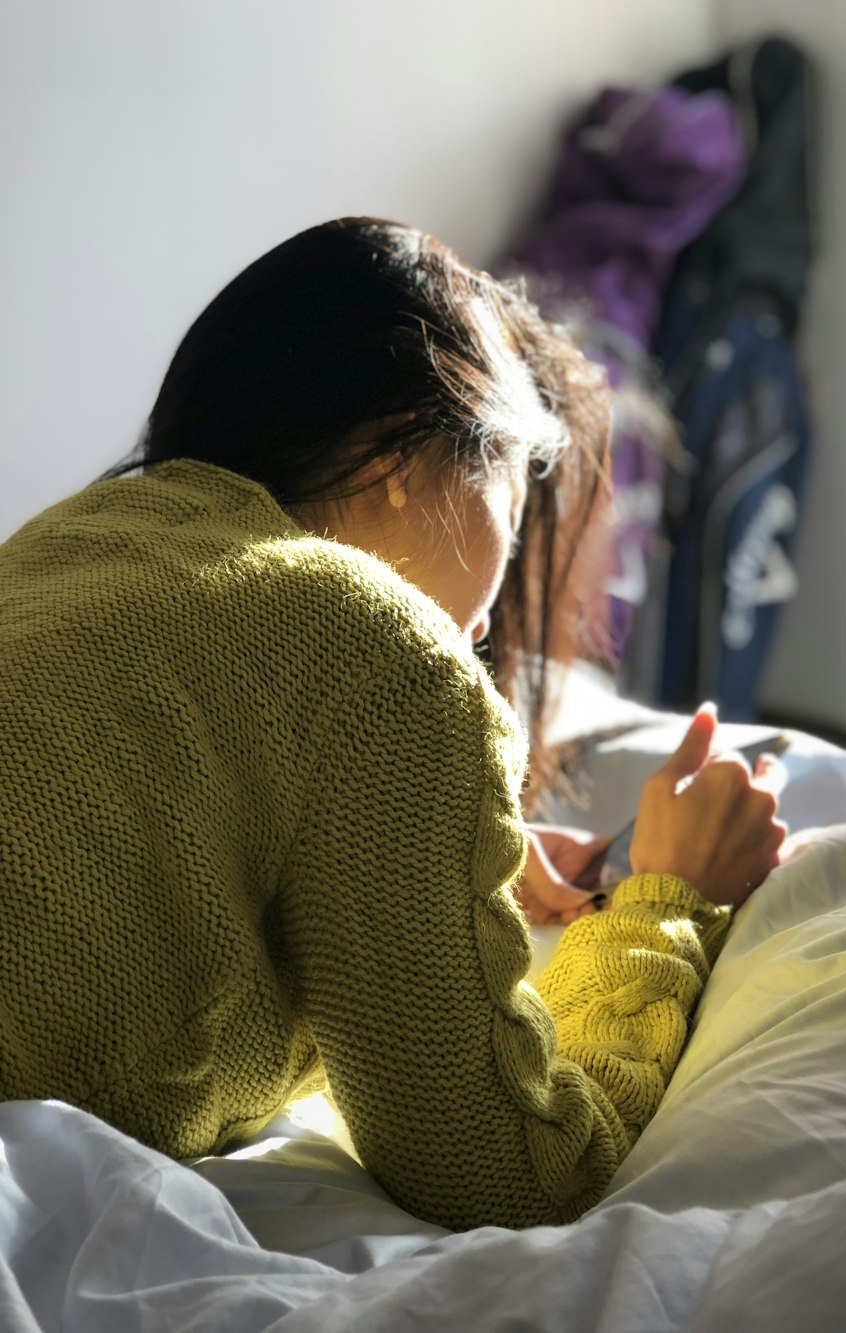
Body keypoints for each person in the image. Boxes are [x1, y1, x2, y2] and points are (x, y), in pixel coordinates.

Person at [0, 218, 785, 1232]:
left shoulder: (65, 544)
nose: (492, 616)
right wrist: (666, 904)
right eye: (513, 484)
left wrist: (445, 864)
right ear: (404, 454)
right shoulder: (379, 645)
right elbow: (513, 1169)